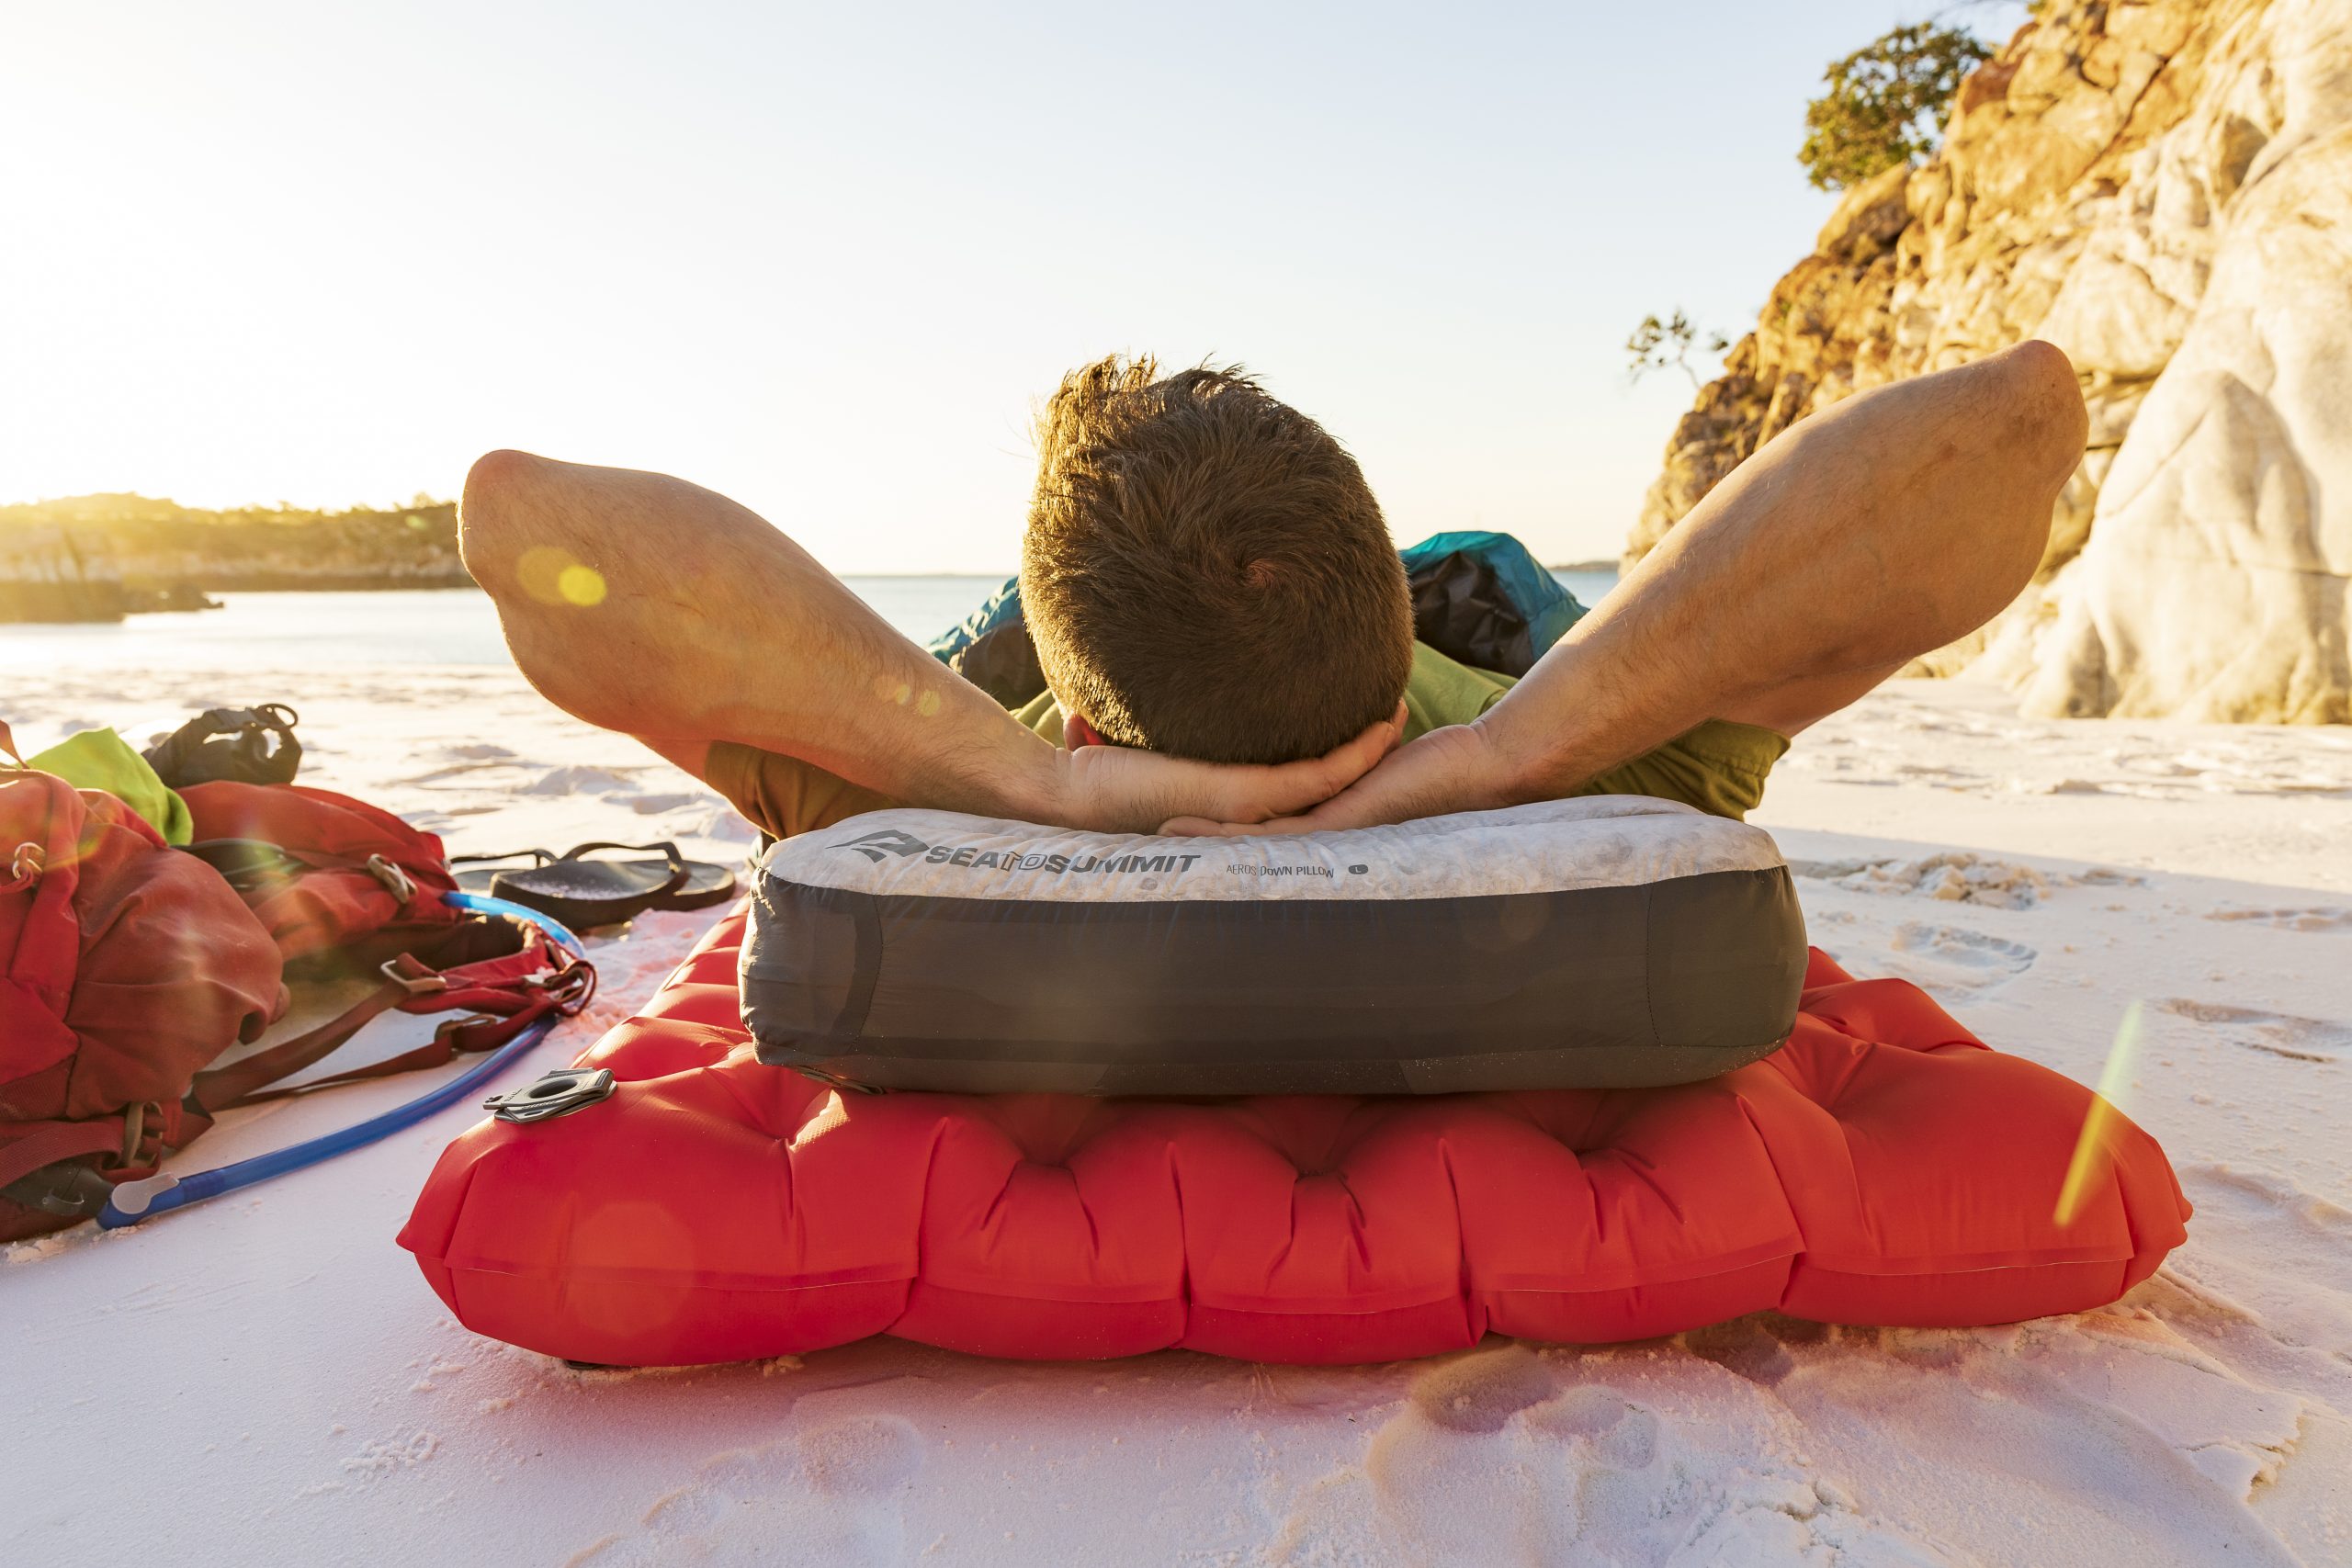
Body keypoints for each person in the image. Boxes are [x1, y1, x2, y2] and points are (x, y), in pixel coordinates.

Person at [458, 346, 2086, 840]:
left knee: (984, 635)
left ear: (1084, 716)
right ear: (1378, 606)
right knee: (1503, 583)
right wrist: (1502, 755)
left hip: (1090, 719)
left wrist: (1026, 776)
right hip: (1465, 696)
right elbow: (2017, 428)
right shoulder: (1622, 752)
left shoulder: (925, 779)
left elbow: (519, 525)